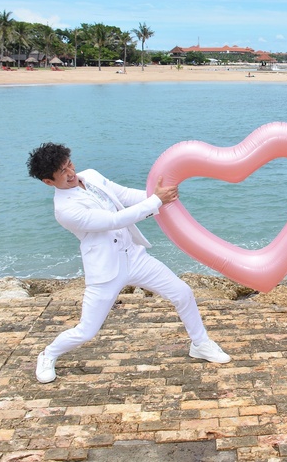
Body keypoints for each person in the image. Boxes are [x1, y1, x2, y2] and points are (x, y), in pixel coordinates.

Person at [27, 143, 230, 383]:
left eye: (69, 164)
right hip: (106, 269)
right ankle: (48, 354)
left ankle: (200, 344)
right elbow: (114, 219)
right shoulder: (65, 209)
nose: (70, 173)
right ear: (48, 182)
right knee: (87, 330)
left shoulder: (90, 175)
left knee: (182, 292)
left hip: (134, 256)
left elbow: (122, 195)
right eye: (61, 172)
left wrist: (158, 195)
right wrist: (155, 201)